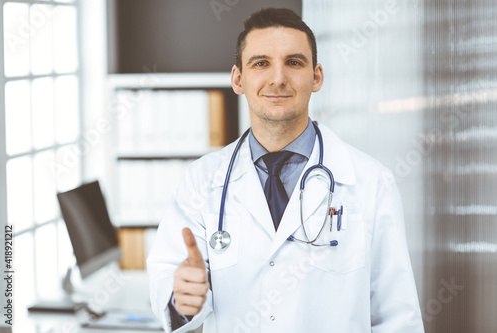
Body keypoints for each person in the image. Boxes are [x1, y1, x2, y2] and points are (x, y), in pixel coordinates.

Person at [147, 7, 424, 333]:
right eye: (261, 63)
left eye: (294, 62)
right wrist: (181, 300)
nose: (278, 78)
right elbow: (169, 274)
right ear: (238, 79)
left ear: (316, 76)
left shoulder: (371, 182)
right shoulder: (201, 180)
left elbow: (397, 318)